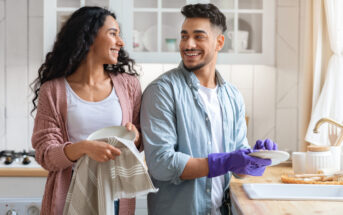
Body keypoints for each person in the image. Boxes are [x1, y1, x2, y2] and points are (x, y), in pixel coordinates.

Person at [140, 3, 277, 215]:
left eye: (199, 36)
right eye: (184, 36)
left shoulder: (232, 96)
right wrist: (225, 161)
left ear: (219, 42)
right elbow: (161, 163)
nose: (188, 44)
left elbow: (238, 169)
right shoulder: (162, 92)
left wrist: (256, 158)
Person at [31, 7, 142, 215]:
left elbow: (140, 139)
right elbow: (45, 154)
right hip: (70, 190)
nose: (121, 42)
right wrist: (84, 148)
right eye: (113, 34)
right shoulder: (54, 90)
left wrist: (135, 137)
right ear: (89, 36)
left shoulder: (129, 86)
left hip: (115, 192)